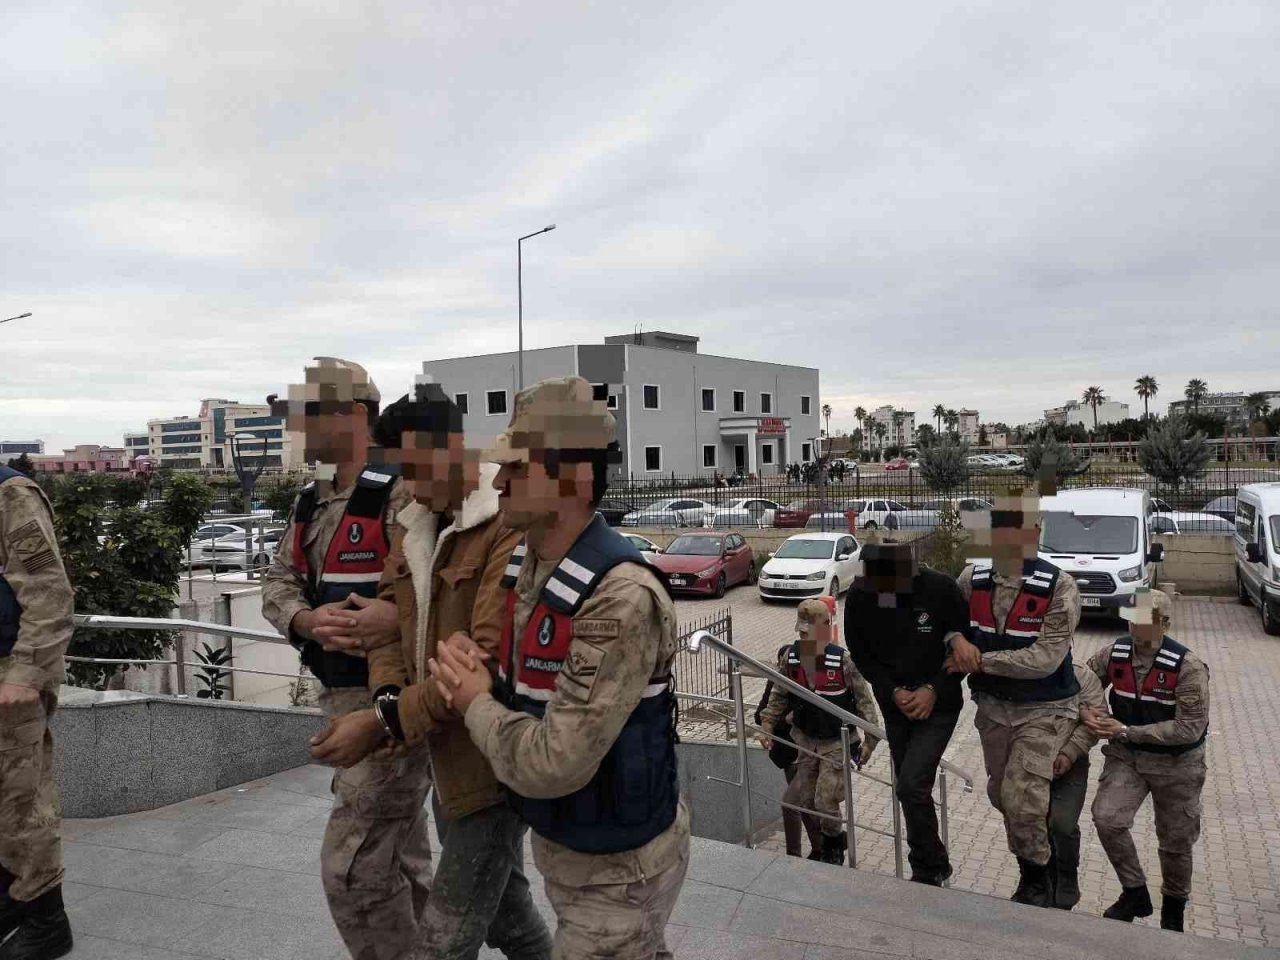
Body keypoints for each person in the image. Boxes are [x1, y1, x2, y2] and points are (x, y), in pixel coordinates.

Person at [426, 376, 688, 960]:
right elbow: (535, 685)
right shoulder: (534, 560)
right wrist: (484, 669)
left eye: (517, 468)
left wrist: (473, 701)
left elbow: (555, 762)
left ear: (574, 479)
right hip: (575, 850)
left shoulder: (619, 596)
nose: (498, 481)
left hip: (619, 875)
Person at [317, 382, 552, 960]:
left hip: (491, 769)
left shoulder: (506, 525)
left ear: (448, 448)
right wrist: (388, 700)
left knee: (445, 941)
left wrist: (381, 723)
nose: (409, 483)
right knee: (508, 920)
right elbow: (386, 628)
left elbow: (481, 664)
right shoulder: (413, 523)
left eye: (414, 467)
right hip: (445, 761)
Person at [260, 358, 433, 960]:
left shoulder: (407, 489)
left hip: (391, 705)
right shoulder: (311, 501)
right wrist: (306, 620)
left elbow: (451, 591)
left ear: (355, 414)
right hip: (339, 698)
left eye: (309, 413)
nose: (298, 427)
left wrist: (396, 616)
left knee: (353, 870)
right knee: (402, 860)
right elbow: (278, 581)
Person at [947, 487, 1082, 907]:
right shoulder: (972, 580)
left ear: (1035, 532)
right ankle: (1047, 856)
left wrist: (979, 661)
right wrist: (954, 639)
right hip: (993, 709)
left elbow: (1045, 659)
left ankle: (1038, 883)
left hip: (1044, 709)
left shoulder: (1059, 587)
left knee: (1022, 800)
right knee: (1002, 794)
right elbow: (947, 621)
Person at [1084, 588, 1209, 933]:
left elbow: (1189, 728)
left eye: (1145, 620)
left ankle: (1173, 913)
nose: (1136, 627)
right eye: (1132, 619)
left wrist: (1126, 730)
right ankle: (1134, 892)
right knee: (1107, 818)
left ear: (1164, 624)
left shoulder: (1187, 667)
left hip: (1178, 765)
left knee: (1176, 843)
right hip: (1128, 758)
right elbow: (1084, 680)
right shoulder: (1115, 654)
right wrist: (1090, 711)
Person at [844, 542, 967, 886]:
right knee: (908, 787)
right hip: (895, 705)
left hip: (939, 706)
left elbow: (963, 649)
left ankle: (931, 865)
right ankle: (927, 867)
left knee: (912, 783)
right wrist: (892, 692)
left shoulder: (941, 589)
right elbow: (861, 653)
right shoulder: (860, 596)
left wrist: (933, 689)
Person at [0, 465, 75, 960]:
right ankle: (11, 903)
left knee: (21, 802)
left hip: (8, 674)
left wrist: (25, 674)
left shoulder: (9, 493)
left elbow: (50, 592)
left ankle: (47, 920)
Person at [758, 596, 879, 866]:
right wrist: (767, 725)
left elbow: (864, 702)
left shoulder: (842, 661)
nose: (806, 639)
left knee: (826, 801)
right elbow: (778, 694)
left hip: (836, 742)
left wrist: (871, 741)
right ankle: (831, 840)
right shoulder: (791, 658)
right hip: (806, 740)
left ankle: (833, 850)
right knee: (807, 801)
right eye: (802, 633)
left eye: (810, 633)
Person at [1045, 661, 1107, 911]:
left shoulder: (1082, 676)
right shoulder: (1025, 671)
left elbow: (1097, 720)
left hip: (1071, 762)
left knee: (1062, 823)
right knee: (1031, 821)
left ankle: (1067, 873)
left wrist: (1070, 752)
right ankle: (1041, 881)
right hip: (1027, 758)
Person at [753, 646, 823, 860]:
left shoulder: (813, 686)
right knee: (804, 805)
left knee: (793, 803)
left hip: (810, 754)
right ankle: (820, 849)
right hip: (787, 754)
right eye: (782, 664)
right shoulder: (775, 682)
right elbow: (760, 714)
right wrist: (784, 719)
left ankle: (800, 854)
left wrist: (788, 719)